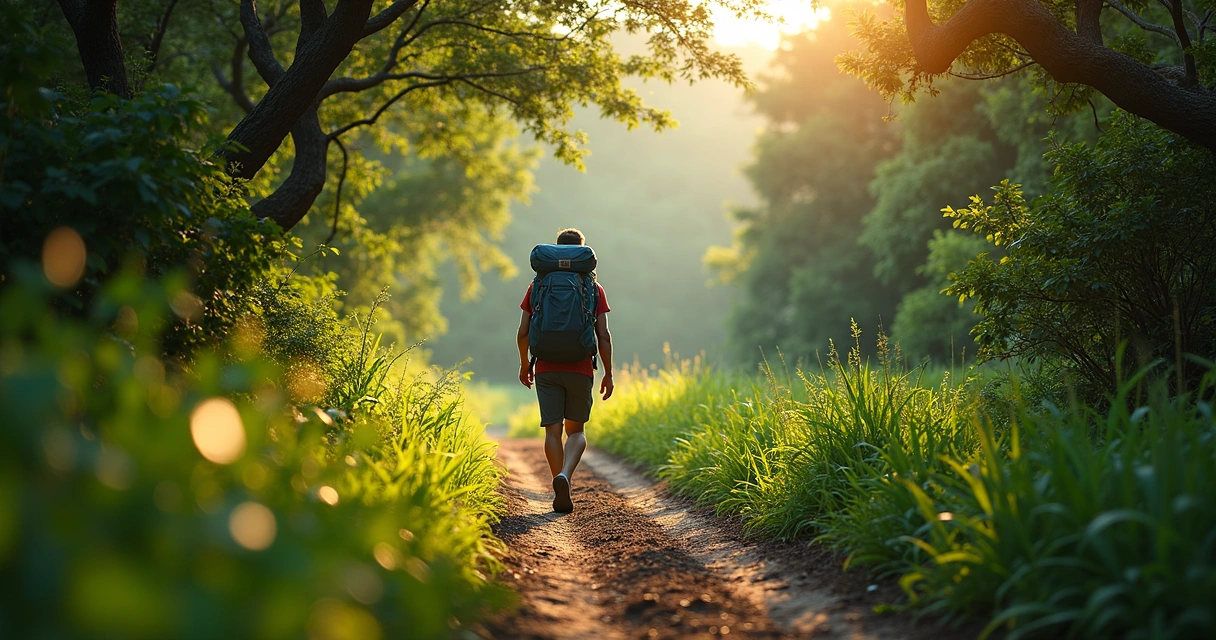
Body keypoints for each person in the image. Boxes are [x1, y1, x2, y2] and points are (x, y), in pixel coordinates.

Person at [516, 228, 613, 513]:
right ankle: (565, 476)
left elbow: (523, 332)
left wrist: (524, 363)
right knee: (576, 431)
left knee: (552, 430)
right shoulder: (593, 288)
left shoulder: (537, 286)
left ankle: (558, 481)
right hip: (579, 367)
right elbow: (603, 335)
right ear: (581, 251)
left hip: (545, 366)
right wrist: (608, 373)